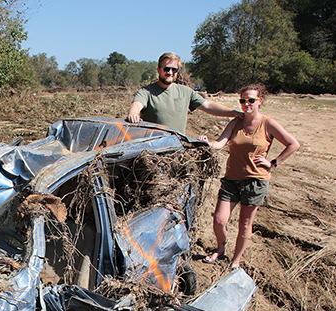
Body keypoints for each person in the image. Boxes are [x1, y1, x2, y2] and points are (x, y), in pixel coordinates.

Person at [200, 83, 300, 270]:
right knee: (219, 220)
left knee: (245, 223)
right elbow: (220, 143)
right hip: (231, 179)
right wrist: (207, 143)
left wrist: (273, 163)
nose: (247, 104)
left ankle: (235, 260)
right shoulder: (235, 122)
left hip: (255, 181)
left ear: (259, 101)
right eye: (243, 100)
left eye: (251, 100)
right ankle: (220, 250)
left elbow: (293, 144)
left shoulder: (268, 123)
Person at [126, 52, 240, 133]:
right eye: (166, 69)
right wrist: (133, 114)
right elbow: (137, 104)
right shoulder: (146, 91)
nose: (170, 72)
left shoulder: (186, 92)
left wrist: (234, 113)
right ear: (158, 70)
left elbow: (208, 106)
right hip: (152, 151)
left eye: (174, 70)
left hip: (177, 150)